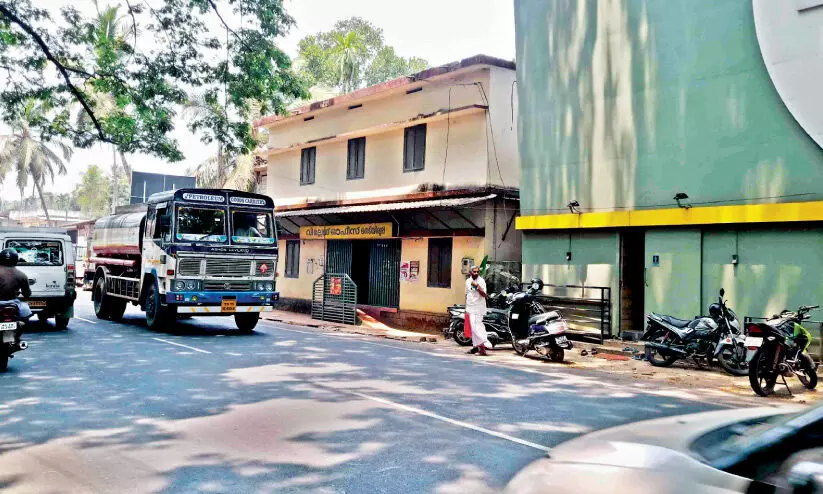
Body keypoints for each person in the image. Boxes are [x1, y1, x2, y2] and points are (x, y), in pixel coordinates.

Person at [465, 265, 491, 356]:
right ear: (470, 272)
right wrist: (466, 308)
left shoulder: (481, 281)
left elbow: (484, 295)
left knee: (477, 328)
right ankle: (480, 349)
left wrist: (477, 287)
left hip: (479, 308)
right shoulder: (468, 281)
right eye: (474, 271)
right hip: (470, 307)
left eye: (477, 272)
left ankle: (485, 342)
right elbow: (467, 294)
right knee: (473, 329)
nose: (476, 273)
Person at [0, 248, 32, 319]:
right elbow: (27, 293)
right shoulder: (21, 275)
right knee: (26, 313)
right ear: (16, 259)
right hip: (13, 303)